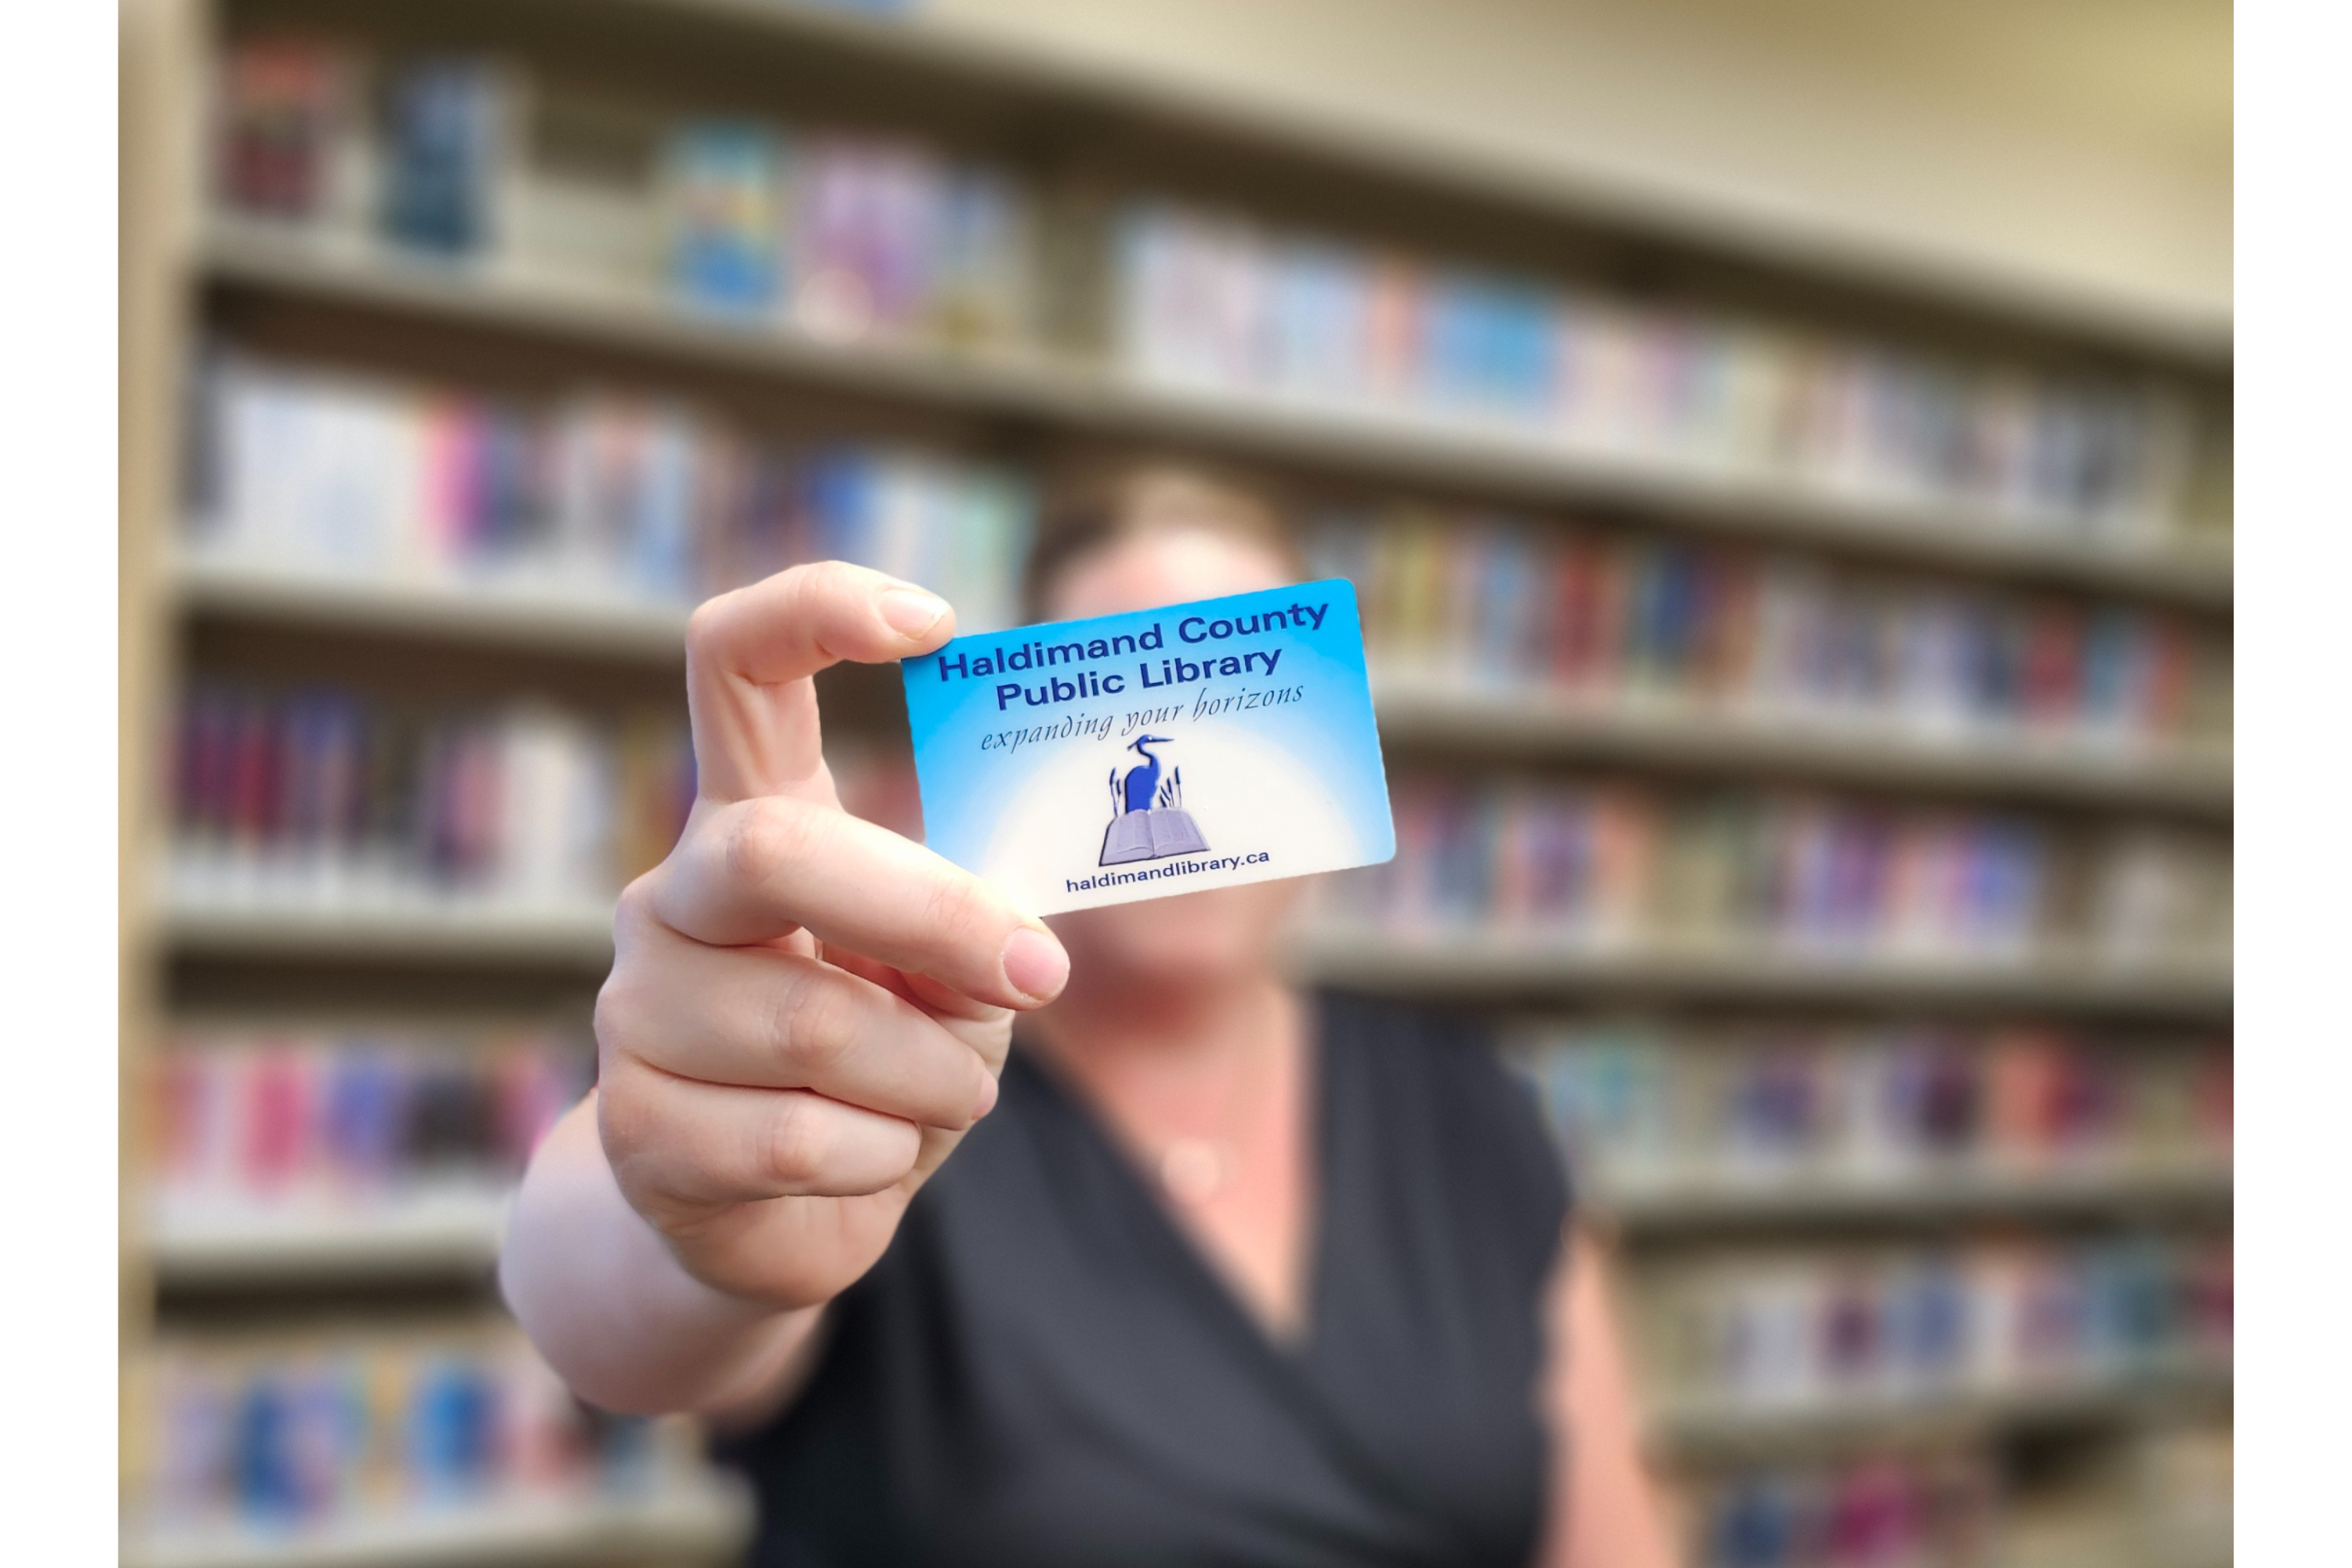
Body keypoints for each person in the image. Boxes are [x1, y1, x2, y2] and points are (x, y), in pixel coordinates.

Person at [502, 468, 1680, 1567]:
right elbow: (605, 1282)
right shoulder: (883, 1075)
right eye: (1104, 692)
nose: (1178, 758)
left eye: (1242, 693)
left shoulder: (1463, 1104)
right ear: (1012, 747)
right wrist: (690, 1214)